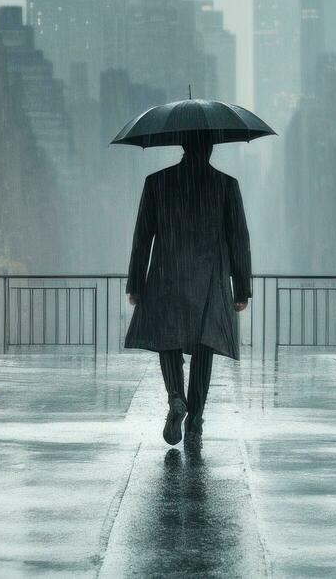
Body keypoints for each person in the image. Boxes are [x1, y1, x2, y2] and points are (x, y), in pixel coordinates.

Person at [123, 136, 253, 446]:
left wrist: (136, 283)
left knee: (167, 340)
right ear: (208, 149)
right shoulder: (226, 185)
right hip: (210, 278)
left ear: (183, 147)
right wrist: (242, 289)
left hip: (169, 274)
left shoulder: (158, 182)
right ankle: (195, 419)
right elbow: (239, 239)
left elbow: (143, 236)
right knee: (205, 347)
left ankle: (175, 399)